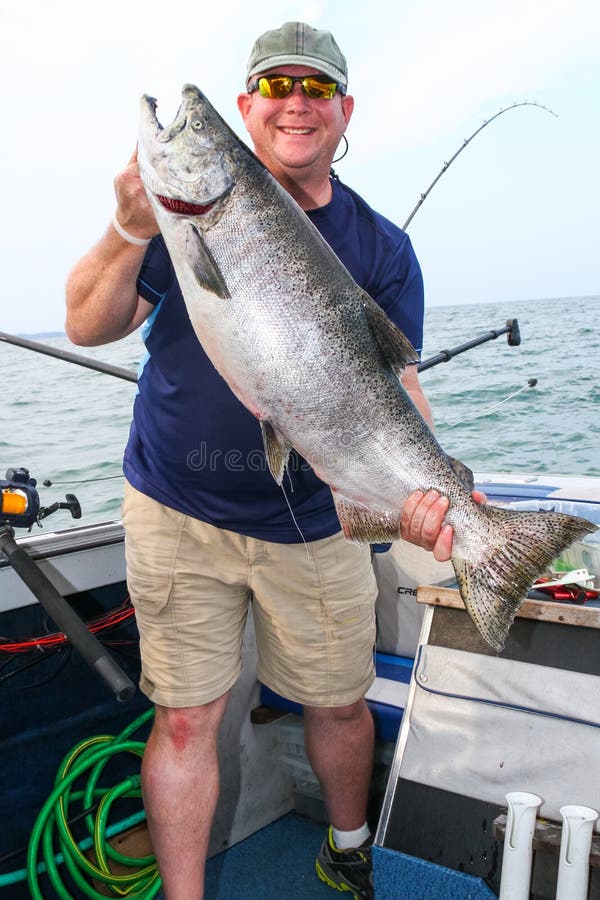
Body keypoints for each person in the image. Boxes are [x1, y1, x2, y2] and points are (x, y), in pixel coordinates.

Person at [65, 21, 456, 900]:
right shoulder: (180, 217)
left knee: (339, 702)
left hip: (316, 520)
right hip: (177, 507)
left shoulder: (384, 248)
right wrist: (130, 229)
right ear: (247, 110)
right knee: (185, 717)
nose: (295, 103)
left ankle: (347, 848)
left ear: (344, 110)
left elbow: (402, 390)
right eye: (276, 86)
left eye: (317, 88)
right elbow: (88, 323)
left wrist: (429, 492)